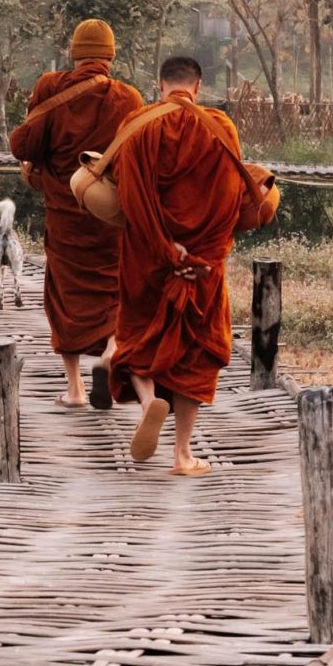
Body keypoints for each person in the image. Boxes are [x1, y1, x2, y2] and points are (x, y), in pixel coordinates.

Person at [109, 54, 255, 476]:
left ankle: (147, 397)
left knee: (136, 336)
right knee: (196, 353)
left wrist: (164, 249)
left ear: (160, 84)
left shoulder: (137, 126)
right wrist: (202, 257)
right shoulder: (220, 127)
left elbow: (130, 199)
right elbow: (230, 196)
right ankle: (182, 455)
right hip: (203, 264)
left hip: (147, 258)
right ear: (198, 86)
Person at [10, 19, 142, 408]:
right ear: (110, 56)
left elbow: (23, 145)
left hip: (65, 218)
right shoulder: (129, 98)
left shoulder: (52, 88)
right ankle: (113, 349)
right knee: (115, 291)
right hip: (112, 218)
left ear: (75, 53)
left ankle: (75, 389)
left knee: (64, 297)